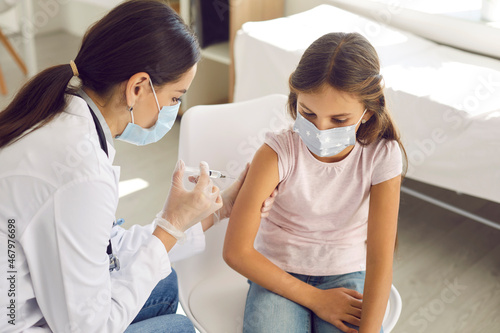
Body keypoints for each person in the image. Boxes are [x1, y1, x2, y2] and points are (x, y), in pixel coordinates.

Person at [0, 1, 275, 332]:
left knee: (165, 284)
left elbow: (105, 249)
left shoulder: (62, 113)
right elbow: (89, 328)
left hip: (25, 292)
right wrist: (169, 228)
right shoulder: (81, 174)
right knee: (180, 328)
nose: (175, 108)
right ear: (138, 87)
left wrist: (217, 211)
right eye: (175, 98)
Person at [223, 32, 407, 333]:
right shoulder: (276, 153)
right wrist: (317, 299)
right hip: (277, 271)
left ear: (367, 112)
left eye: (339, 120)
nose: (320, 129)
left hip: (346, 270)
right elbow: (235, 251)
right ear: (296, 99)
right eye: (308, 113)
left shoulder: (383, 155)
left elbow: (379, 259)